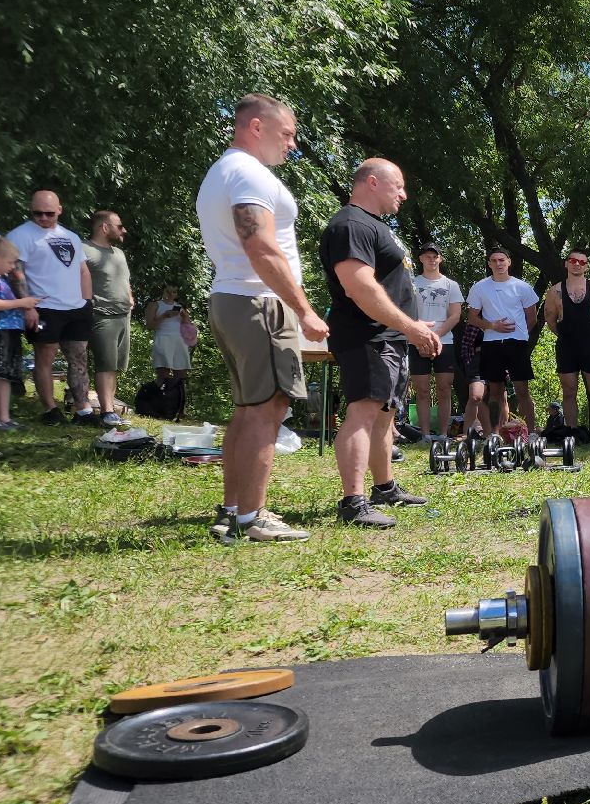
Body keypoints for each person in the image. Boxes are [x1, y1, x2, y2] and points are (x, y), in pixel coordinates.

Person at [197, 94, 324, 544]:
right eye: (286, 134)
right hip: (260, 302)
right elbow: (261, 247)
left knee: (248, 410)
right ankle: (252, 518)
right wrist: (304, 309)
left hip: (234, 299)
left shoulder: (223, 171)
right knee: (269, 409)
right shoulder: (248, 173)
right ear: (256, 127)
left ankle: (233, 510)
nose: (292, 144)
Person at [320, 159, 440, 527]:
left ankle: (384, 487)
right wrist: (410, 327)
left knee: (385, 414)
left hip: (388, 337)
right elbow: (359, 287)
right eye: (398, 186)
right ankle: (352, 502)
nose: (404, 194)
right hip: (365, 335)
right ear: (372, 182)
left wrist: (410, 326)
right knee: (363, 411)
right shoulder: (351, 224)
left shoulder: (373, 225)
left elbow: (387, 286)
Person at [7, 190, 95, 424]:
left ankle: (83, 410)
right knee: (45, 356)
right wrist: (27, 307)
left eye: (49, 213)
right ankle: (50, 409)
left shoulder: (71, 236)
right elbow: (16, 273)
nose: (43, 218)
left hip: (76, 307)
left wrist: (87, 302)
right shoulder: (20, 235)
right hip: (44, 306)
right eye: (38, 213)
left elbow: (83, 271)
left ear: (59, 210)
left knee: (79, 357)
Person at [542, 247, 590, 439]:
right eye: (573, 261)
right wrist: (567, 336)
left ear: (587, 266)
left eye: (582, 262)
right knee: (569, 391)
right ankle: (572, 431)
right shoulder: (555, 291)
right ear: (566, 263)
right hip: (567, 347)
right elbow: (550, 320)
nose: (577, 265)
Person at [466, 248, 541, 432]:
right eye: (494, 260)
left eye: (502, 260)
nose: (498, 263)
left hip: (517, 344)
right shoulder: (479, 287)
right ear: (489, 264)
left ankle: (531, 433)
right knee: (495, 391)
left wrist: (520, 334)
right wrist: (492, 326)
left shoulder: (522, 287)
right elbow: (472, 318)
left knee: (522, 390)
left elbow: (532, 318)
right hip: (491, 344)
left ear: (509, 262)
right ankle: (495, 434)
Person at [0, 237, 40, 430]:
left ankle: (3, 417)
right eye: (10, 262)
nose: (12, 267)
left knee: (6, 375)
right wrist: (22, 303)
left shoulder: (1, 279)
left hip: (10, 330)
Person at [81, 210, 134, 425]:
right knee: (105, 364)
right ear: (104, 227)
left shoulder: (118, 253)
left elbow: (125, 280)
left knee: (114, 366)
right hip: (101, 315)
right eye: (119, 226)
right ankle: (107, 411)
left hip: (123, 315)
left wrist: (130, 298)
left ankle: (111, 410)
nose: (123, 230)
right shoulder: (84, 250)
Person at [407, 244, 463, 442]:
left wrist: (435, 337)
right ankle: (425, 435)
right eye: (428, 256)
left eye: (435, 256)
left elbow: (455, 315)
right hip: (416, 341)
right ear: (421, 259)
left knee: (444, 388)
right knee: (422, 389)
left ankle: (443, 434)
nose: (432, 259)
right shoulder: (412, 283)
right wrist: (421, 337)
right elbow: (406, 313)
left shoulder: (451, 285)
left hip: (444, 341)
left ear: (440, 259)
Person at [144, 284, 192, 382]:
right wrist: (164, 316)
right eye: (168, 292)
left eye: (174, 292)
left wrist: (185, 317)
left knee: (180, 375)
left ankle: (177, 392)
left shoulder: (179, 307)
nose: (171, 295)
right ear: (163, 292)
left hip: (179, 341)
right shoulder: (154, 305)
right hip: (163, 339)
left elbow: (187, 327)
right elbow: (150, 326)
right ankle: (161, 391)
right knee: (163, 374)